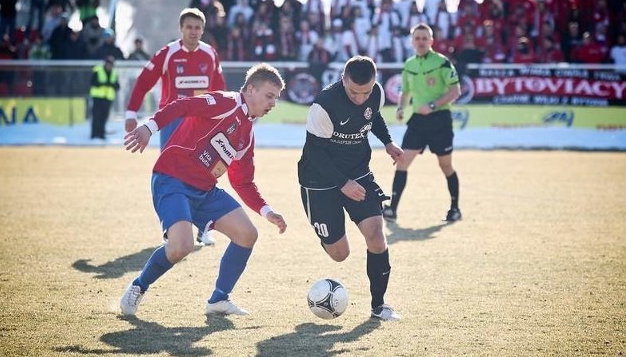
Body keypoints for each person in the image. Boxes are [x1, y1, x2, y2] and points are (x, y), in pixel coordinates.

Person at [120, 63, 287, 317]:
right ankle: (138, 286)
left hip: (205, 191)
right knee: (181, 247)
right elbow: (182, 106)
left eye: (276, 98)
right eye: (269, 95)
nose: (273, 103)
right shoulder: (226, 102)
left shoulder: (248, 134)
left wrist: (267, 211)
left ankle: (219, 299)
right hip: (172, 179)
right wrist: (149, 127)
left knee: (247, 234)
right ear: (251, 89)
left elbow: (242, 181)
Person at [297, 56, 404, 322]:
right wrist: (343, 184)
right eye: (354, 92)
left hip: (358, 172)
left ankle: (379, 306)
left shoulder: (374, 94)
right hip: (318, 180)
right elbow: (314, 154)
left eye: (366, 92)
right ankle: (327, 234)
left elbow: (373, 117)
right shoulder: (324, 105)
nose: (360, 98)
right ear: (343, 80)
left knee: (377, 237)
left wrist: (388, 143)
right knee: (340, 254)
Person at [125, 7, 226, 246]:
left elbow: (219, 89)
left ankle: (204, 228)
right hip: (171, 123)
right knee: (171, 175)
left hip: (201, 124)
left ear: (203, 30)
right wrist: (131, 112)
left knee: (203, 173)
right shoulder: (167, 54)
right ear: (180, 29)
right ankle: (171, 228)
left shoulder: (210, 54)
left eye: (197, 28)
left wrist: (223, 118)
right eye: (189, 27)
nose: (193, 32)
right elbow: (143, 82)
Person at [383, 23, 462, 223]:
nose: (420, 42)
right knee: (401, 162)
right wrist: (401, 107)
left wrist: (433, 106)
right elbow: (406, 91)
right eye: (417, 38)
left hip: (440, 120)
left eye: (424, 38)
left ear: (431, 41)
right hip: (418, 121)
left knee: (445, 166)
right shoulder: (409, 64)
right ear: (412, 42)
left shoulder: (442, 62)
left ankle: (454, 208)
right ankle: (392, 209)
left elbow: (455, 91)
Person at [89, 56, 119, 140]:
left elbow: (117, 86)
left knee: (104, 117)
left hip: (108, 98)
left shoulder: (114, 73)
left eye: (111, 64)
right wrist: (104, 84)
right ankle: (94, 134)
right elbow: (93, 82)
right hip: (98, 97)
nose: (109, 66)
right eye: (108, 64)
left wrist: (110, 84)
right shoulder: (98, 70)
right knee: (96, 116)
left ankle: (101, 134)